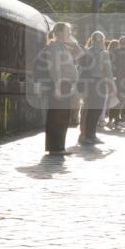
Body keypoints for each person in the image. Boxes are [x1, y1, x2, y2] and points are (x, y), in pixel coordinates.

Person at [35, 22, 84, 156]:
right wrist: (56, 87)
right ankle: (55, 148)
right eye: (68, 31)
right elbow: (54, 67)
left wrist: (74, 44)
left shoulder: (62, 47)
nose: (70, 34)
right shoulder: (54, 47)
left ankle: (59, 147)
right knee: (57, 117)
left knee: (63, 117)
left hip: (65, 85)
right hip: (60, 85)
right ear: (59, 32)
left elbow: (80, 54)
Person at [77, 31, 115, 146]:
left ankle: (85, 135)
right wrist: (113, 86)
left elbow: (80, 68)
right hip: (99, 83)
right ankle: (91, 135)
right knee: (96, 110)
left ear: (92, 39)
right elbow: (108, 71)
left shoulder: (86, 51)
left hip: (87, 83)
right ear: (102, 40)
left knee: (87, 109)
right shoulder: (104, 53)